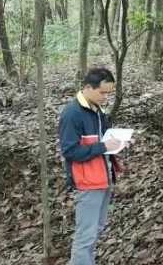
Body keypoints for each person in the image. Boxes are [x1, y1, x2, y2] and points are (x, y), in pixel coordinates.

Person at [59, 67, 123, 265]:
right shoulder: (72, 114)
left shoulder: (97, 110)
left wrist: (118, 142)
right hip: (87, 182)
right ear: (87, 87)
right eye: (102, 92)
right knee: (85, 236)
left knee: (96, 229)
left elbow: (102, 140)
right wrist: (104, 146)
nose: (106, 97)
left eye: (109, 93)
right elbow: (70, 151)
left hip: (104, 178)